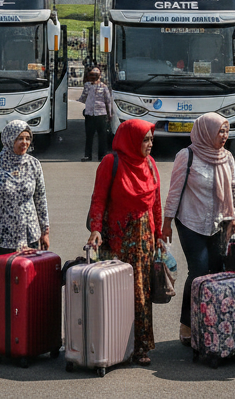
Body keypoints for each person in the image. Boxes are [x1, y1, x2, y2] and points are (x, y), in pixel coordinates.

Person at [86, 118, 163, 366]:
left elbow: (156, 202)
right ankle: (114, 345)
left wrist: (160, 234)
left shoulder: (150, 164)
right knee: (116, 292)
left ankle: (140, 347)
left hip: (144, 240)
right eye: (145, 140)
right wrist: (96, 229)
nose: (150, 144)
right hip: (118, 240)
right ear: (132, 140)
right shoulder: (111, 162)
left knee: (141, 293)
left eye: (151, 139)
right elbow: (99, 198)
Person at [161, 112, 235, 347]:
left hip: (219, 222)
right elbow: (174, 191)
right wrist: (167, 222)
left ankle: (209, 321)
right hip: (191, 221)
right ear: (206, 131)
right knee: (198, 272)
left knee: (216, 272)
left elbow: (233, 190)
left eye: (226, 131)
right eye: (220, 131)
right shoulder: (186, 156)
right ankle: (187, 324)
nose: (224, 135)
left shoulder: (227, 157)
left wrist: (234, 218)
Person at [0, 120, 50, 265]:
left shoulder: (34, 164)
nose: (25, 142)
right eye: (20, 138)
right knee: (0, 282)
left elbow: (40, 199)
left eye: (27, 138)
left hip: (28, 235)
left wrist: (45, 231)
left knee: (26, 281)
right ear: (9, 139)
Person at [78, 66, 112, 162]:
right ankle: (87, 155)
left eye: (95, 75)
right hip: (89, 114)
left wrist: (109, 115)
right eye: (92, 75)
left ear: (100, 76)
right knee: (89, 136)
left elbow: (108, 101)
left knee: (102, 136)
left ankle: (102, 156)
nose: (94, 77)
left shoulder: (104, 87)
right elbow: (83, 97)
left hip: (101, 114)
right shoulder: (87, 86)